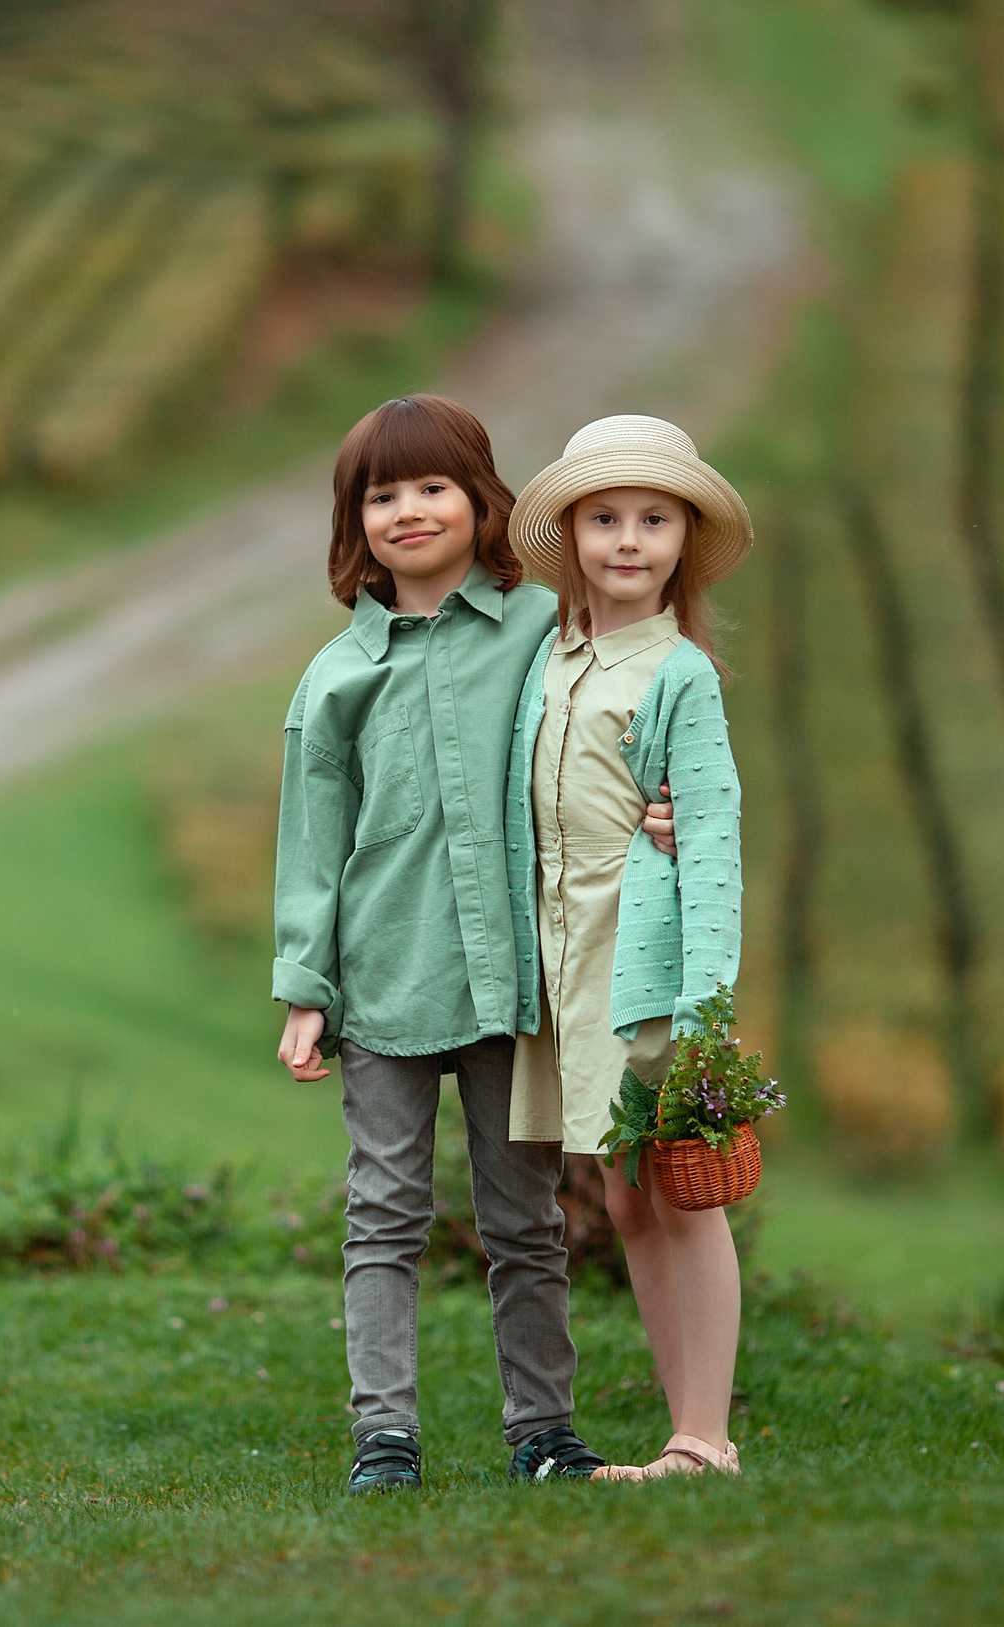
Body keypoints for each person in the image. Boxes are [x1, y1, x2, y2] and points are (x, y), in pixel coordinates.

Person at [273, 394, 670, 1494]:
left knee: (524, 1221)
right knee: (383, 1216)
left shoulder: (544, 630)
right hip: (384, 980)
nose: (408, 510)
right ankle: (384, 1439)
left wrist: (662, 803)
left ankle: (543, 1431)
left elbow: (609, 733)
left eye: (432, 486)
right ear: (356, 523)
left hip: (514, 982)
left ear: (480, 501)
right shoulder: (336, 677)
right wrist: (306, 986)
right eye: (381, 495)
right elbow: (311, 845)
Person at [503, 414, 753, 1481]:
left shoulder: (679, 673)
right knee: (622, 1194)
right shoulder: (552, 656)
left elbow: (713, 843)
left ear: (684, 540)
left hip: (644, 962)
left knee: (678, 1189)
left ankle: (702, 1436)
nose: (628, 540)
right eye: (604, 518)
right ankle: (685, 1426)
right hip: (569, 959)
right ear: (571, 533)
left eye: (655, 519)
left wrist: (704, 1010)